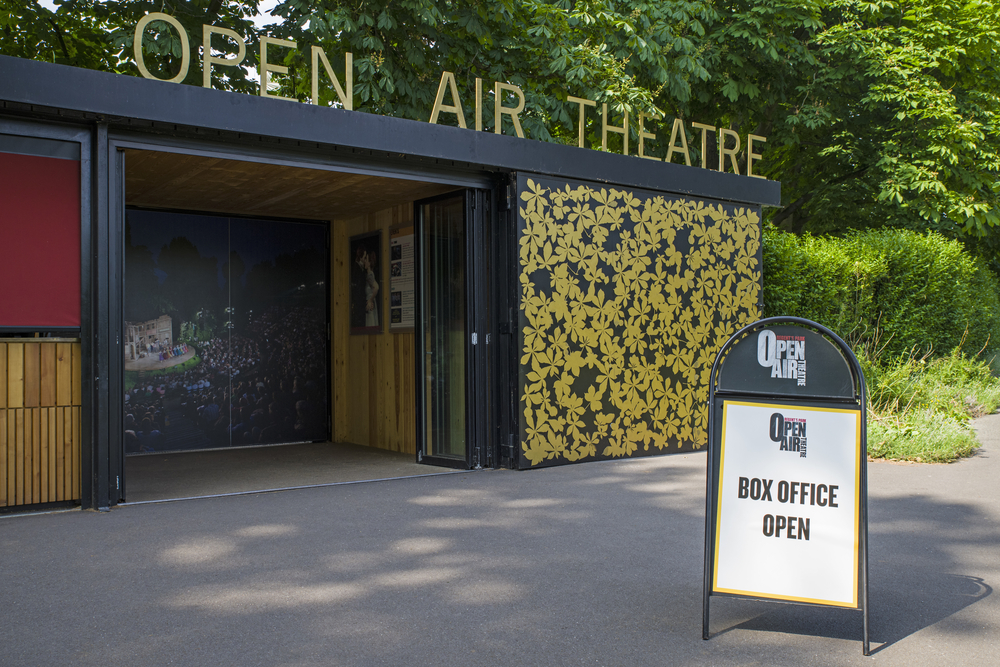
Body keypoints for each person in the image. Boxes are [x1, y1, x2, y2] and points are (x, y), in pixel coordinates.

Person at [364, 249, 379, 328]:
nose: (364, 262)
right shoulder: (370, 274)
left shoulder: (369, 275)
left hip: (370, 306)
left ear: (369, 263)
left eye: (366, 259)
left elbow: (376, 287)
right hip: (371, 305)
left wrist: (370, 299)